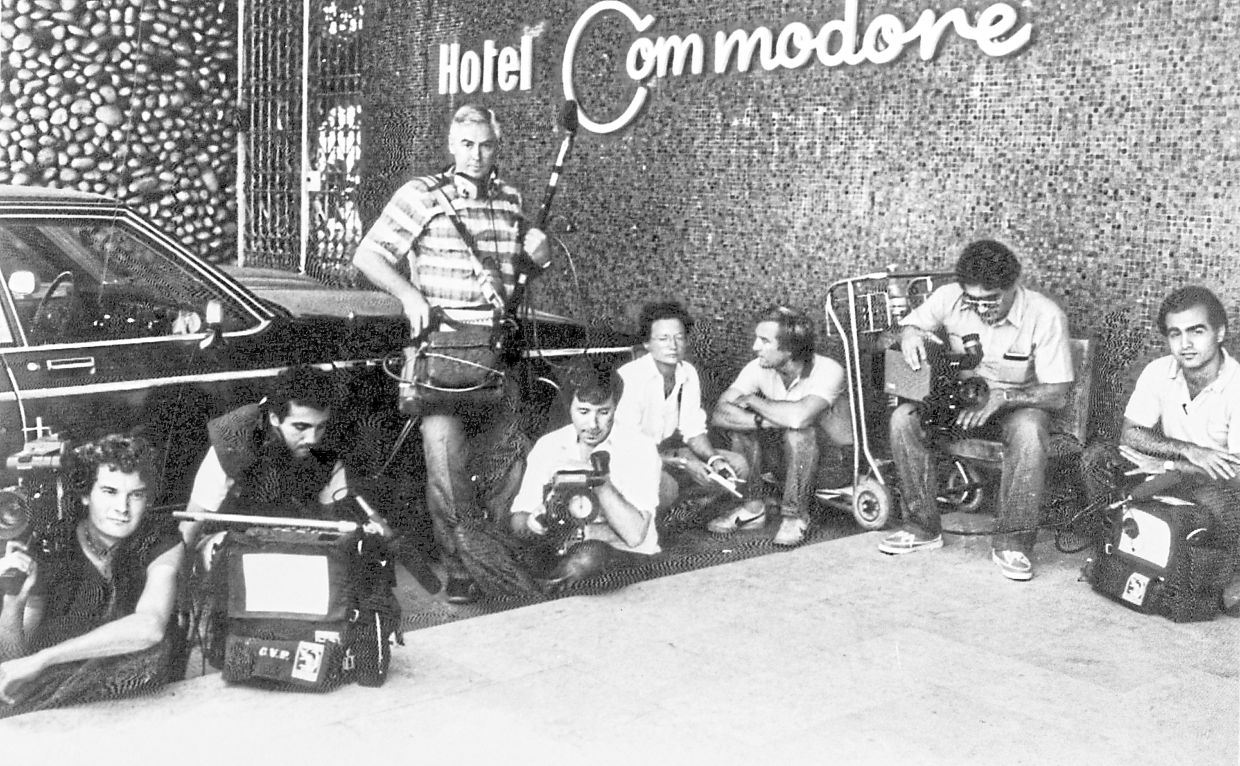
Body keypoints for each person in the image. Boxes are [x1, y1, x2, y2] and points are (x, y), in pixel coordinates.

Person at [353, 104, 550, 605]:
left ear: (496, 146)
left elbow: (510, 281)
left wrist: (537, 259)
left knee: (508, 462)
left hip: (494, 350)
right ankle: (460, 567)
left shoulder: (511, 200)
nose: (476, 155)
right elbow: (368, 255)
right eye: (466, 144)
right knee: (446, 467)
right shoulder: (421, 195)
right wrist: (410, 296)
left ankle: (496, 556)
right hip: (441, 350)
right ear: (450, 145)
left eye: (485, 144)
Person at [878, 239, 1074, 581]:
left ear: (1014, 286)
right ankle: (922, 527)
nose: (982, 309)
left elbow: (1057, 393)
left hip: (1017, 405)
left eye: (991, 300)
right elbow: (912, 324)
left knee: (1030, 431)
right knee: (903, 419)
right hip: (962, 401)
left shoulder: (1045, 315)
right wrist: (909, 334)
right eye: (974, 301)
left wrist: (1003, 398)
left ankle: (1013, 543)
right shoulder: (948, 296)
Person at [0, 434, 185, 717]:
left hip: (131, 690)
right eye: (110, 492)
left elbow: (150, 626)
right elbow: (13, 662)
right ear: (86, 494)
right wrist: (14, 601)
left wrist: (45, 658)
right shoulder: (52, 542)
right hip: (61, 695)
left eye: (135, 495)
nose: (122, 509)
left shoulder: (159, 539)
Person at [1082, 286, 1240, 612]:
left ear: (1219, 332)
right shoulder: (1160, 370)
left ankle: (1228, 575)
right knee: (1096, 460)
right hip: (1171, 466)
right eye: (1175, 333)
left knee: (1225, 503)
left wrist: (1181, 466)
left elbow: (1236, 468)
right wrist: (1187, 452)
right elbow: (1131, 435)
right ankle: (1112, 548)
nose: (1185, 344)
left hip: (1214, 480)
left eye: (1197, 331)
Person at [179, 365, 390, 563]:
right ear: (274, 418)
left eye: (320, 426)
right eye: (300, 427)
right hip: (232, 538)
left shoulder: (332, 443)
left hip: (297, 539)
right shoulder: (233, 437)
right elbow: (192, 522)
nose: (312, 439)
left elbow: (330, 522)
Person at [708, 305, 849, 547]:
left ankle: (795, 516)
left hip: (834, 467)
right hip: (785, 465)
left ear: (790, 347)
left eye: (764, 341)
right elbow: (720, 413)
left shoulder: (828, 369)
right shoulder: (758, 367)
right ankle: (753, 507)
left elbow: (800, 417)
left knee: (799, 431)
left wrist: (753, 401)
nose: (755, 347)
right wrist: (761, 420)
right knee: (743, 425)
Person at [509, 365, 661, 588]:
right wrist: (534, 521)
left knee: (587, 557)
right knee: (506, 552)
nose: (593, 425)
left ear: (615, 407)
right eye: (583, 412)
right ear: (568, 407)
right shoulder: (549, 446)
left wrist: (598, 481)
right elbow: (517, 519)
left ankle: (540, 597)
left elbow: (635, 535)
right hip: (559, 550)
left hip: (623, 556)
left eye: (603, 412)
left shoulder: (640, 448)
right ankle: (546, 591)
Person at [614, 300, 750, 510]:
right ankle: (673, 507)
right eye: (663, 338)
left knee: (737, 466)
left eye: (679, 337)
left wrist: (713, 459)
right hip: (632, 458)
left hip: (671, 452)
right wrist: (685, 464)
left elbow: (693, 429)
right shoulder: (630, 378)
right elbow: (629, 446)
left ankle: (684, 507)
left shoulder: (688, 372)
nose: (673, 345)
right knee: (665, 487)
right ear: (647, 344)